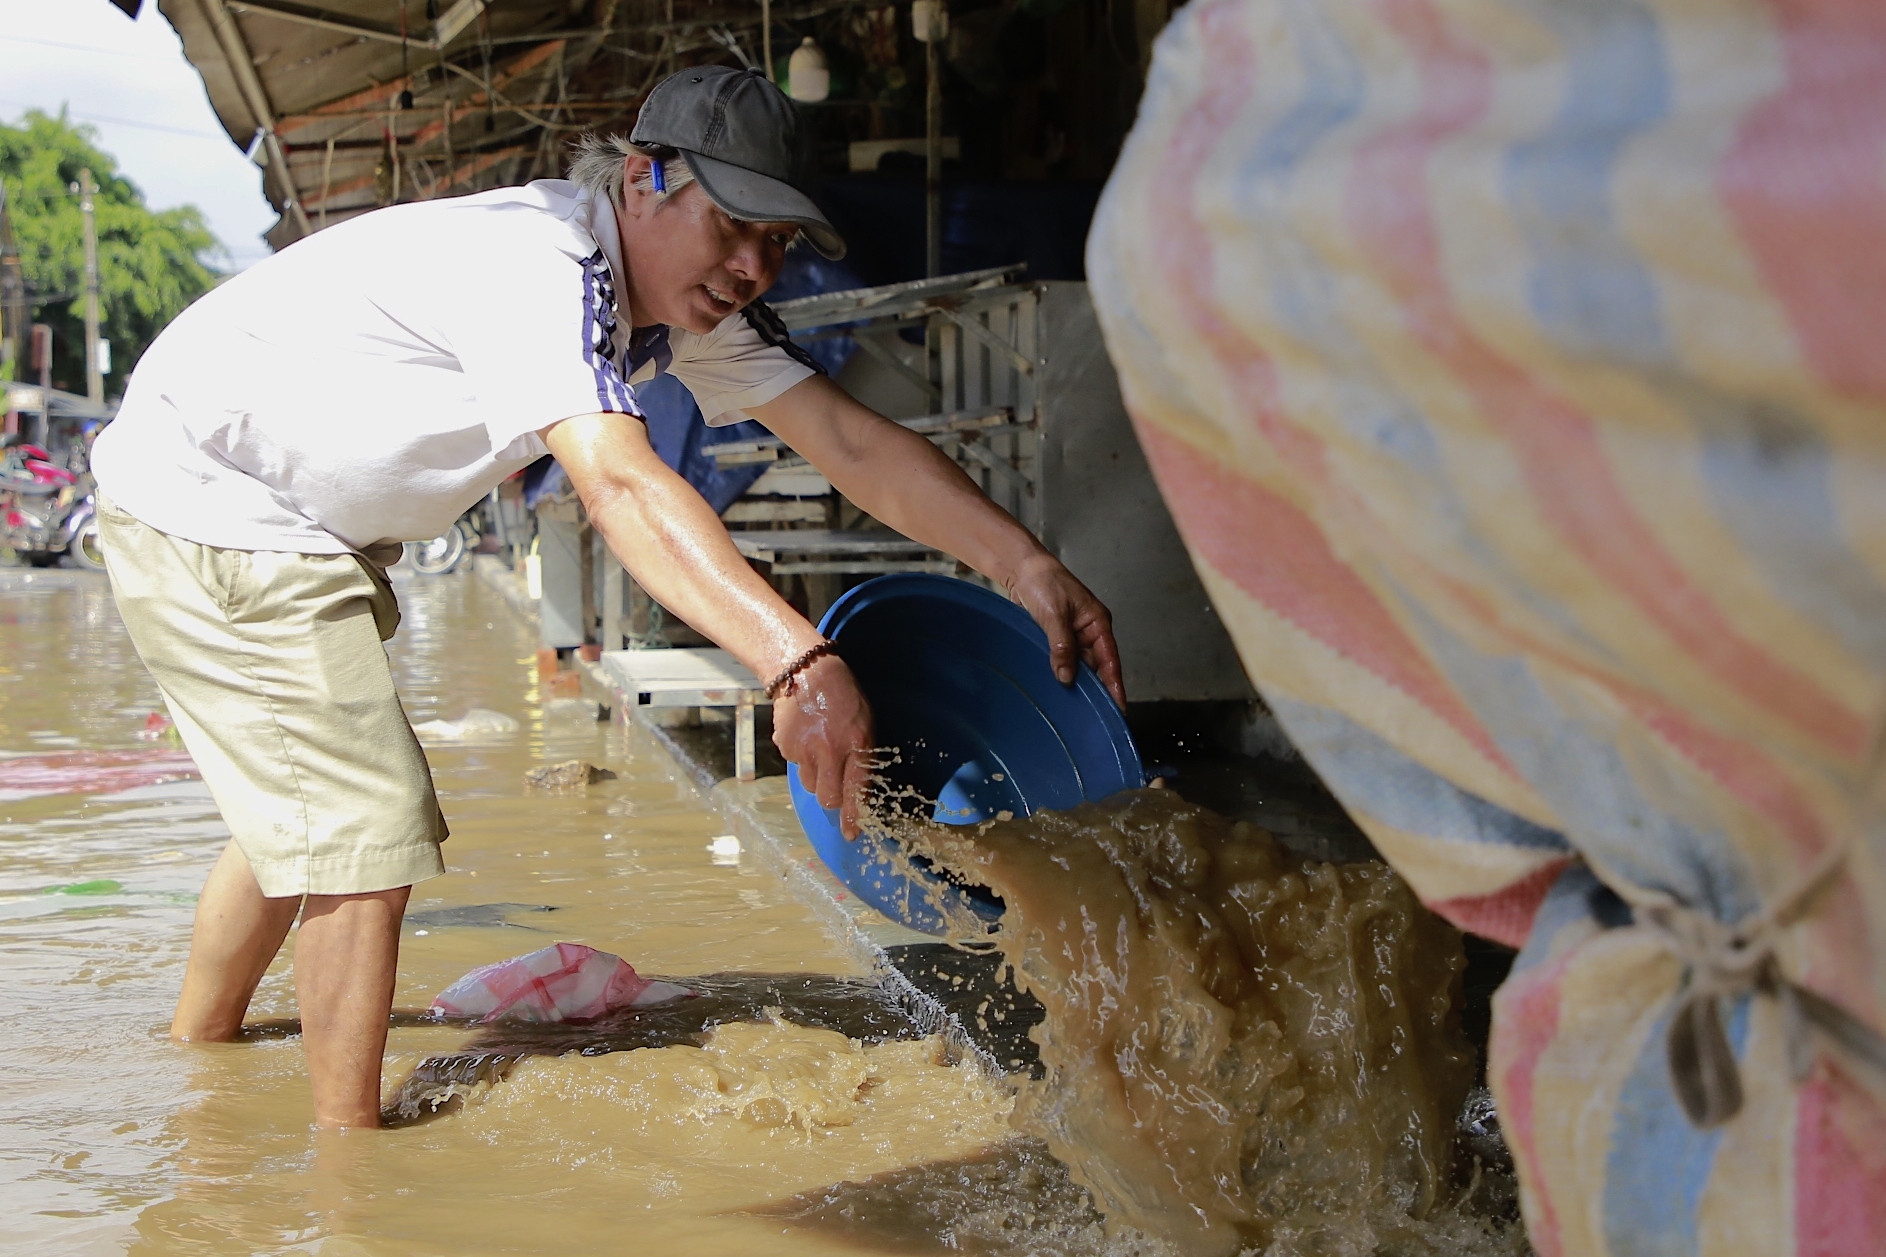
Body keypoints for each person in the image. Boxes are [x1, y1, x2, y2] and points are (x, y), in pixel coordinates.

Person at [91, 66, 1123, 1129]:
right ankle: (350, 1175)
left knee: (304, 808)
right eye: (733, 226)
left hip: (299, 526)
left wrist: (1022, 564)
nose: (753, 266)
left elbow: (850, 440)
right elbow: (620, 482)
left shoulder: (676, 312)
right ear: (643, 179)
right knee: (366, 824)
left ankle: (199, 1069)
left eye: (776, 243)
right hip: (219, 501)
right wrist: (798, 659)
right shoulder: (538, 263)